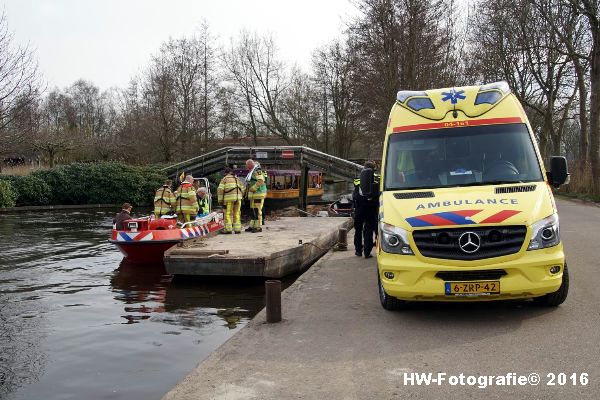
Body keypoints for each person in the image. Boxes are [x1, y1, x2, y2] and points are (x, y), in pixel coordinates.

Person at [353, 161, 380, 258]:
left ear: (364, 168)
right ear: (374, 168)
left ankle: (358, 251)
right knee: (368, 230)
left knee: (358, 229)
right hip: (371, 207)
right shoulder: (378, 178)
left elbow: (355, 190)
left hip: (359, 207)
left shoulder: (357, 178)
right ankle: (367, 252)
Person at [218, 167, 245, 234]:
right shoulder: (237, 179)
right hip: (238, 199)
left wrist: (220, 201)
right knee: (237, 213)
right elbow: (243, 189)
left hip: (228, 199)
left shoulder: (224, 179)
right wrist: (240, 196)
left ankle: (228, 229)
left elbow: (220, 190)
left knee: (228, 214)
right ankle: (237, 229)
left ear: (226, 173)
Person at [244, 158, 267, 233]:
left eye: (247, 165)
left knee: (257, 210)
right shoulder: (252, 171)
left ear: (250, 165)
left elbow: (261, 180)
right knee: (252, 210)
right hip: (253, 194)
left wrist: (254, 188)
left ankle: (258, 227)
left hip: (258, 193)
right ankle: (252, 226)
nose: (246, 167)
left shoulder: (257, 170)